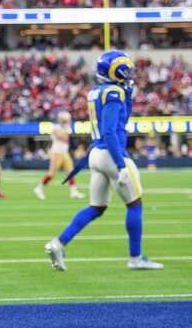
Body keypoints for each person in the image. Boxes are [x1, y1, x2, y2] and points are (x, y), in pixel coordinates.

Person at [45, 50, 163, 271]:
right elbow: (110, 131)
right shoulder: (113, 93)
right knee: (135, 204)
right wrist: (120, 165)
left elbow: (119, 120)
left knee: (96, 207)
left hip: (97, 154)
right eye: (125, 70)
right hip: (111, 153)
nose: (129, 74)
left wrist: (127, 94)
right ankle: (135, 258)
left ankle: (59, 243)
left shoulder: (98, 91)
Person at [34, 111, 85, 200]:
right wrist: (65, 128)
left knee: (71, 172)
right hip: (56, 153)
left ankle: (73, 191)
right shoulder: (56, 127)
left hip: (64, 152)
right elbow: (63, 137)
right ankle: (39, 188)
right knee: (51, 174)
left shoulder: (65, 128)